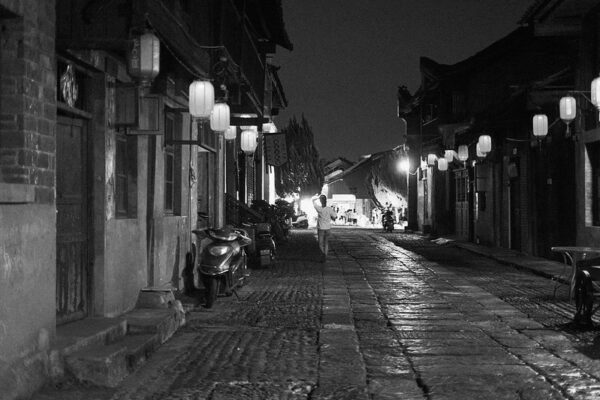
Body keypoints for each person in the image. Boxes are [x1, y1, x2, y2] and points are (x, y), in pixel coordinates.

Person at [312, 194, 337, 262]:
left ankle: (323, 254)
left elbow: (313, 201)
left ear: (320, 201)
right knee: (326, 243)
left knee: (320, 243)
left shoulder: (319, 208)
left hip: (321, 229)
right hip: (328, 228)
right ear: (326, 200)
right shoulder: (329, 209)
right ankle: (325, 256)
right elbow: (335, 216)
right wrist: (331, 217)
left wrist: (317, 197)